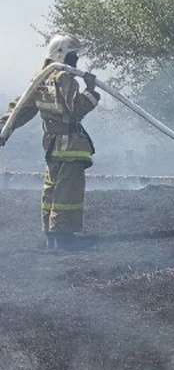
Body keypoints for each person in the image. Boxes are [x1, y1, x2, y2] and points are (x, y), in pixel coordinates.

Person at [0, 35, 100, 249]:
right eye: (74, 55)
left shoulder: (40, 79)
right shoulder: (65, 78)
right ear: (61, 54)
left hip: (52, 146)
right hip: (71, 146)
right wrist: (91, 92)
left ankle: (50, 234)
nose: (76, 60)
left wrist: (4, 128)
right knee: (68, 191)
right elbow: (75, 111)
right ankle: (64, 239)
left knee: (52, 189)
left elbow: (22, 108)